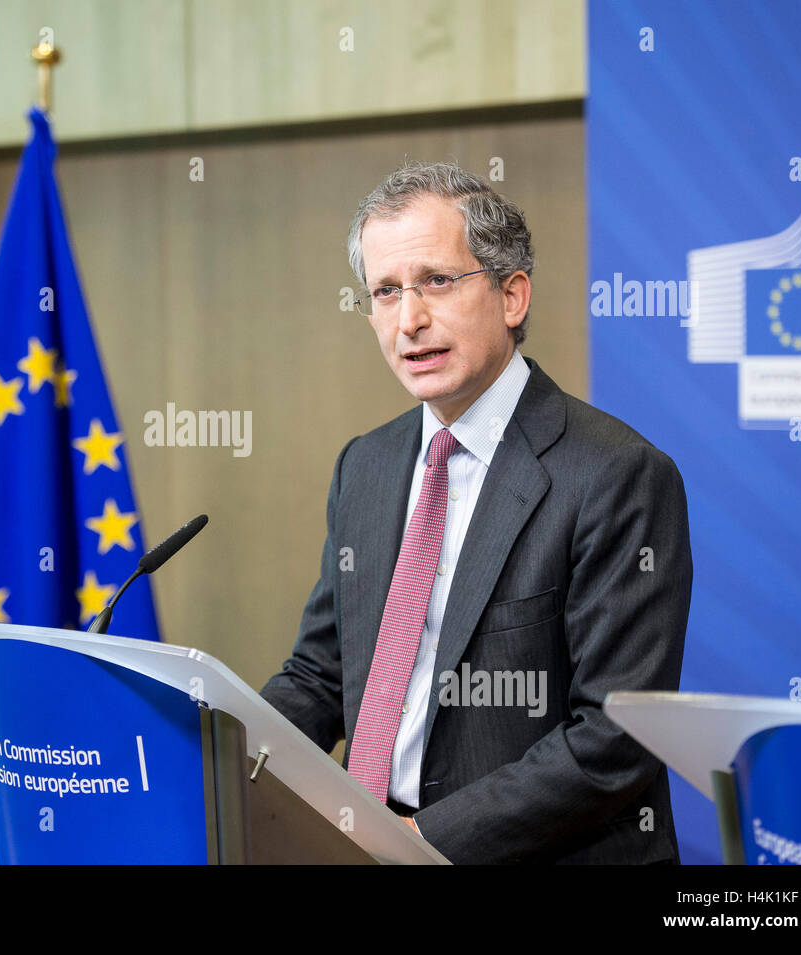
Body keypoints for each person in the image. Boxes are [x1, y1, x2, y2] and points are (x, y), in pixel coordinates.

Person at [260, 161, 691, 864]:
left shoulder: (617, 474)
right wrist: (215, 751)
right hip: (367, 841)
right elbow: (323, 675)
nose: (410, 320)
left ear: (512, 294)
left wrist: (421, 842)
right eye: (386, 291)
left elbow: (616, 735)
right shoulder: (364, 466)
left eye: (437, 281)